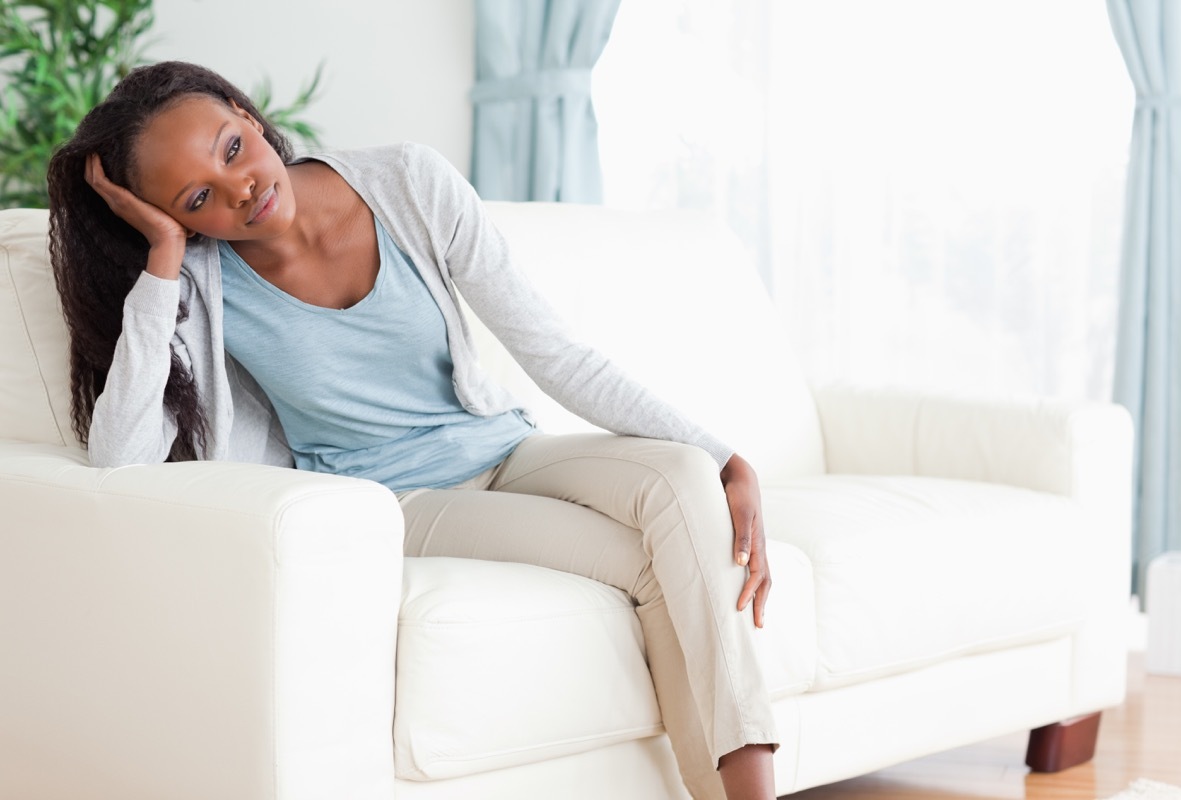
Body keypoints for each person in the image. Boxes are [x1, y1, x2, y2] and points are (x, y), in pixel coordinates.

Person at [47, 60, 778, 800]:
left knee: (688, 478)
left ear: (245, 110)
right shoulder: (200, 282)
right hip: (401, 497)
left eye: (233, 147)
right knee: (654, 561)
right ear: (174, 217)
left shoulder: (406, 183)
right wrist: (164, 258)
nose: (239, 187)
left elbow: (554, 352)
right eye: (197, 197)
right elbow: (120, 456)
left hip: (505, 445)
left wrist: (722, 456)